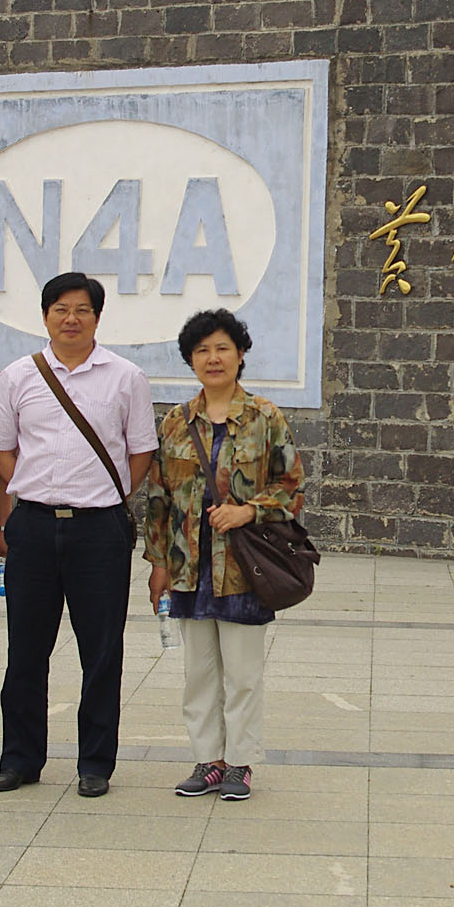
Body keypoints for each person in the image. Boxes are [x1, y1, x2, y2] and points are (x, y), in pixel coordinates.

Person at [0, 272, 156, 797]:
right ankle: (20, 760)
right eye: (61, 309)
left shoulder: (126, 377)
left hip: (100, 529)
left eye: (82, 309)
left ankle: (95, 764)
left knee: (101, 651)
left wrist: (105, 493)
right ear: (45, 316)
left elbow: (141, 451)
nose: (71, 319)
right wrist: (34, 485)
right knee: (25, 651)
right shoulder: (17, 377)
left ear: (97, 318)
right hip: (33, 526)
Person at [144, 310, 304, 801]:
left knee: (243, 673)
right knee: (199, 673)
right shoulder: (175, 422)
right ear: (190, 360)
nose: (212, 359)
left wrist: (248, 511)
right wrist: (158, 564)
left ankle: (240, 763)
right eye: (202, 351)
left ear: (240, 354)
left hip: (243, 568)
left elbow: (292, 485)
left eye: (222, 349)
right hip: (188, 567)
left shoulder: (265, 417)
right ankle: (208, 760)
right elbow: (158, 497)